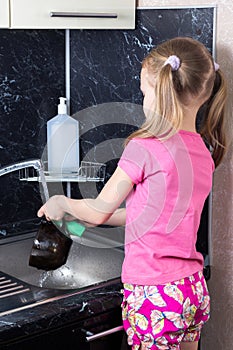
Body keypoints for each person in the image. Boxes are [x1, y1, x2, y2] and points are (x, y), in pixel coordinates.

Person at [38, 37, 228, 350]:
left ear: (161, 93)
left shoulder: (144, 148)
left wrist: (61, 201)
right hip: (191, 289)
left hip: (155, 294)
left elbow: (99, 207)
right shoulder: (202, 151)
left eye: (144, 93)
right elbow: (144, 214)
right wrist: (78, 216)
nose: (143, 101)